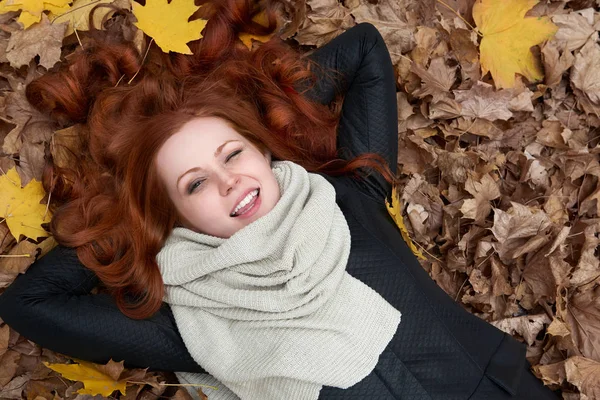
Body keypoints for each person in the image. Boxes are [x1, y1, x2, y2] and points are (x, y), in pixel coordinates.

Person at [0, 0, 559, 398]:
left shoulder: (350, 199)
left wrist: (271, 120)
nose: (228, 182)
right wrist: (135, 218)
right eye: (194, 184)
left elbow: (364, 50)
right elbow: (29, 303)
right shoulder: (193, 323)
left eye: (232, 154)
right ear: (174, 216)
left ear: (264, 154)